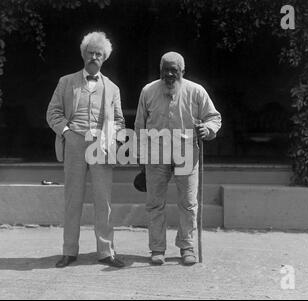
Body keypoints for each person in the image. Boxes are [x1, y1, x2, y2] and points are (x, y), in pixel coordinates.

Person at [47, 31, 125, 268]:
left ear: (104, 58)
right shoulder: (66, 82)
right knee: (73, 199)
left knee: (104, 200)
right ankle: (69, 250)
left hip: (101, 145)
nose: (94, 57)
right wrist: (67, 133)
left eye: (98, 54)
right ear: (83, 55)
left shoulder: (112, 88)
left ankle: (105, 251)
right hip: (74, 142)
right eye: (90, 52)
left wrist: (116, 140)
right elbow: (53, 113)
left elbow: (120, 120)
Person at [134, 52, 221, 265]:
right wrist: (140, 156)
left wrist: (207, 129)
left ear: (183, 71)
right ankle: (157, 249)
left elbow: (214, 117)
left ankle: (187, 247)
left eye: (175, 70)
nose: (170, 74)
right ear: (160, 70)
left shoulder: (196, 91)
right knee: (155, 204)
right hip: (156, 152)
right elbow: (139, 125)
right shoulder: (148, 91)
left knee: (189, 203)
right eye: (166, 69)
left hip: (187, 153)